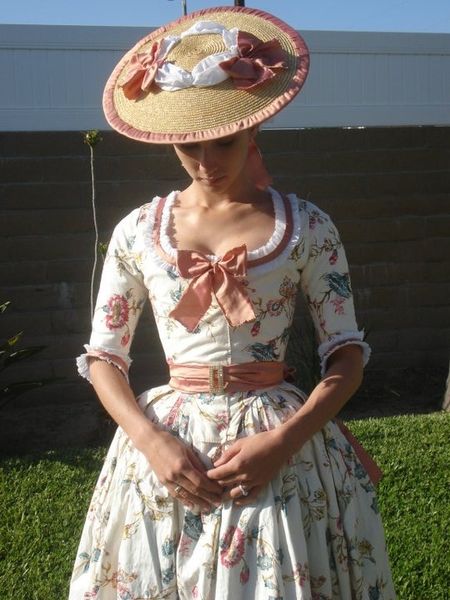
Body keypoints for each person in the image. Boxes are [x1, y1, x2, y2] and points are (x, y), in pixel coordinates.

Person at [69, 6, 396, 599]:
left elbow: (346, 354)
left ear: (253, 131)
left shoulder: (307, 227)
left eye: (222, 141)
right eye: (187, 145)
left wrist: (284, 442)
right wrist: (152, 442)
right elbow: (103, 357)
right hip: (168, 442)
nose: (204, 161)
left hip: (278, 442)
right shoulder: (139, 231)